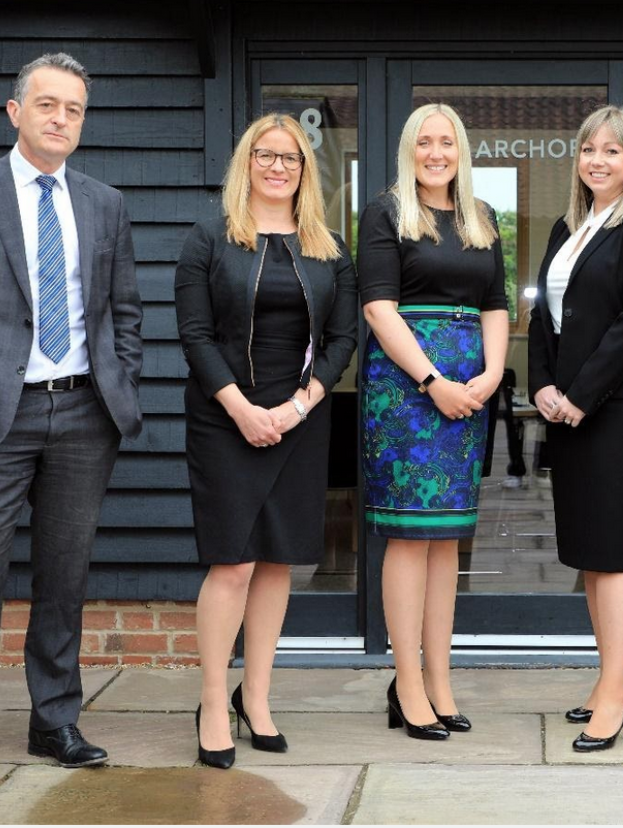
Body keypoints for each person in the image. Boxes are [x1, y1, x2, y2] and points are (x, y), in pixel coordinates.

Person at [0, 53, 143, 796]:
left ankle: (54, 720)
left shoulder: (105, 203)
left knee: (64, 577)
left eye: (73, 108)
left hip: (82, 412)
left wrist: (118, 381)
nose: (60, 119)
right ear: (16, 112)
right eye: (47, 105)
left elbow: (123, 312)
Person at [175, 114, 357, 768]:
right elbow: (194, 336)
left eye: (290, 158)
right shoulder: (209, 240)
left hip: (299, 421)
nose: (277, 166)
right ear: (246, 163)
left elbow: (342, 341)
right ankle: (212, 702)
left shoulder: (328, 247)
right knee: (233, 561)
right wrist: (243, 409)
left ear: (306, 171)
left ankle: (257, 699)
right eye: (265, 155)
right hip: (225, 416)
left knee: (277, 559)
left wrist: (299, 405)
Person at [528, 105, 623, 753]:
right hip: (570, 407)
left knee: (618, 553)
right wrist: (541, 386)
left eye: (612, 151)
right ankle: (610, 677)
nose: (597, 160)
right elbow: (541, 314)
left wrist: (582, 396)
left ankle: (616, 694)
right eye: (589, 149)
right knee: (591, 553)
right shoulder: (571, 224)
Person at [357, 103, 508, 740]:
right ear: (408, 149)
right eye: (425, 142)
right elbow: (378, 309)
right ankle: (408, 684)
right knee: (408, 535)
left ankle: (440, 680)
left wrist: (494, 374)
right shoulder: (386, 212)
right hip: (405, 391)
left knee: (447, 538)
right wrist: (431, 381)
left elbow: (497, 303)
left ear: (461, 149)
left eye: (447, 142)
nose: (437, 152)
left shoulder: (482, 217)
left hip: (470, 391)